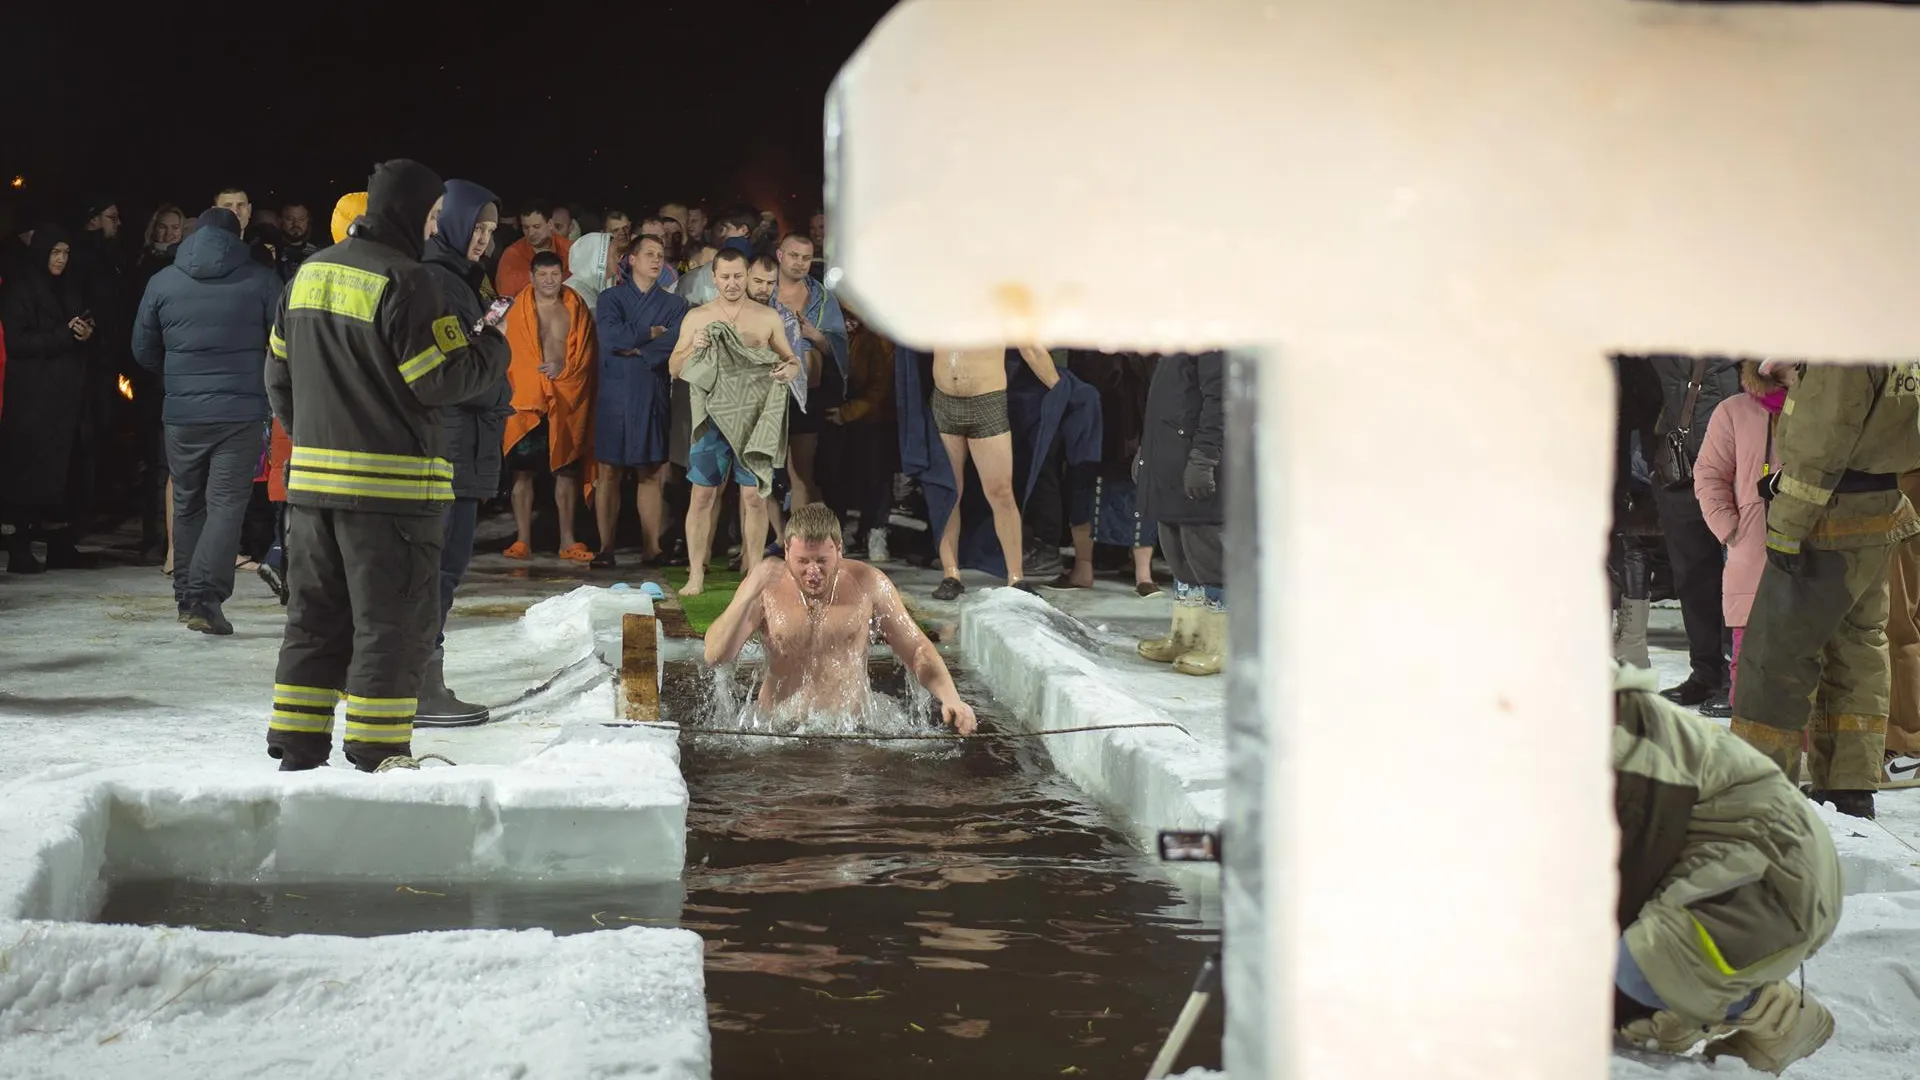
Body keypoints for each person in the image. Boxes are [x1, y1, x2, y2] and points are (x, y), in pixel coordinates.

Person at [263, 158, 510, 773]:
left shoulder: (308, 274)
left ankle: (297, 742)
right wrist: (495, 346)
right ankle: (377, 749)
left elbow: (276, 376)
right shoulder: (409, 281)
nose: (433, 230)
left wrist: (316, 440)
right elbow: (439, 379)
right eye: (430, 216)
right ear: (407, 212)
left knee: (314, 619)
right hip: (391, 500)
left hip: (312, 494)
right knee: (389, 623)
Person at [1612, 662, 1840, 1074]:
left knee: (1635, 972)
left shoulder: (1619, 739)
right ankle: (1677, 1005)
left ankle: (1777, 1013)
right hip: (1721, 878)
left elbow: (1626, 879)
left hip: (1775, 882)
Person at [1731, 360, 1920, 819]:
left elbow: (1821, 440)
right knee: (1857, 647)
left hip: (1826, 519)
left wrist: (1786, 525)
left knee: (1774, 658)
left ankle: (1760, 788)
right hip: (1879, 511)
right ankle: (1851, 784)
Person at [132, 206, 279, 634]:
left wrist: (179, 378)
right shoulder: (262, 281)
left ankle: (185, 598)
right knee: (226, 505)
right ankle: (205, 597)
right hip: (241, 414)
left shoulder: (162, 281)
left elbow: (143, 349)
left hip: (182, 414)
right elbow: (282, 343)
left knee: (188, 502)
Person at [703, 503, 977, 732]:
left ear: (839, 548)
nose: (813, 571)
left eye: (821, 561)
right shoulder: (766, 588)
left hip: (849, 729)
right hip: (776, 729)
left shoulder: (869, 583)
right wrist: (746, 594)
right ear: (786, 551)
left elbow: (917, 649)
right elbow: (715, 655)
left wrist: (950, 697)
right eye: (802, 561)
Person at [418, 179, 511, 727]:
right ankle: (420, 689)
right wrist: (501, 386)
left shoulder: (463, 280)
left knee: (444, 572)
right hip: (448, 448)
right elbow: (459, 374)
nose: (484, 239)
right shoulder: (439, 282)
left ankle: (422, 682)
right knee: (436, 572)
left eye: (492, 230)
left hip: (467, 447)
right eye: (478, 227)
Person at [668, 248, 802, 595]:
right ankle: (696, 573)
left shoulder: (766, 316)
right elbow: (674, 367)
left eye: (738, 276)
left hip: (754, 418)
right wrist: (693, 348)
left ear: (747, 276)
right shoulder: (698, 317)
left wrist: (789, 369)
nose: (731, 283)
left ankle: (754, 574)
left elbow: (791, 360)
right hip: (712, 418)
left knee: (754, 497)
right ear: (713, 277)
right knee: (702, 496)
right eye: (725, 276)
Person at [1632, 355, 1745, 714]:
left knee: (1736, 581)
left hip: (1733, 472)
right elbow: (1641, 399)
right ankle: (1706, 673)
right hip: (1677, 471)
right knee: (1693, 579)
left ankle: (1734, 680)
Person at [1691, 360, 1789, 706]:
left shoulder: (1825, 408)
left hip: (1816, 555)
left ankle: (1805, 757)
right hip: (1752, 552)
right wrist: (1730, 528)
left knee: (1807, 672)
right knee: (1749, 667)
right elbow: (1708, 473)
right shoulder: (1733, 410)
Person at [927, 345, 1059, 599]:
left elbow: (1031, 348)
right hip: (944, 402)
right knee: (948, 493)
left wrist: (1061, 390)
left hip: (987, 401)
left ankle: (1016, 577)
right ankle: (950, 573)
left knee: (1000, 492)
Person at [0, 226, 92, 574]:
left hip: (65, 401)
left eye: (66, 252)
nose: (60, 259)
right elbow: (17, 341)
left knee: (63, 473)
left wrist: (86, 331)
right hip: (30, 399)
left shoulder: (68, 287)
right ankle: (18, 549)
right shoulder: (19, 290)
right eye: (55, 252)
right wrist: (64, 336)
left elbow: (81, 316)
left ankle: (60, 545)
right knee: (25, 474)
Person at [593, 233, 688, 569]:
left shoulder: (675, 305)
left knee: (650, 471)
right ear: (631, 259)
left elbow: (675, 343)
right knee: (608, 471)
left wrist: (638, 348)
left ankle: (652, 548)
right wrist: (649, 334)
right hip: (614, 394)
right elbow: (611, 337)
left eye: (660, 254)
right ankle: (606, 547)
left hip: (651, 390)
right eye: (648, 253)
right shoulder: (610, 298)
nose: (655, 259)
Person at [502, 250, 597, 561]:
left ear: (563, 275)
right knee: (523, 473)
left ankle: (568, 540)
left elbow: (586, 353)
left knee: (566, 471)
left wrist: (564, 370)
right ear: (531, 277)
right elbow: (497, 345)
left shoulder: (575, 306)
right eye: (542, 275)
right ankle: (522, 540)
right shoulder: (513, 307)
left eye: (554, 274)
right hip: (527, 401)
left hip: (567, 397)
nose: (548, 281)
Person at [1136, 352, 1226, 676]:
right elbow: (1166, 399)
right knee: (1176, 550)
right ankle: (1185, 634)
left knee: (1205, 552)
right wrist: (1147, 454)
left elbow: (1220, 397)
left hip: (1197, 458)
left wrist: (1205, 457)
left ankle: (1218, 643)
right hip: (1170, 458)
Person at [772, 232, 847, 511]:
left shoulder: (822, 298)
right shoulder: (762, 291)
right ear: (780, 255)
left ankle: (798, 541)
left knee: (803, 472)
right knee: (760, 472)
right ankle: (775, 538)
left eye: (806, 258)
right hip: (768, 394)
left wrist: (815, 336)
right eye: (794, 255)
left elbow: (839, 350)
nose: (800, 263)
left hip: (809, 397)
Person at [818, 301, 896, 558]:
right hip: (830, 418)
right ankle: (839, 532)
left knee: (876, 477)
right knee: (833, 477)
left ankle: (876, 531)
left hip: (870, 418)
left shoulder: (875, 335)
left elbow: (880, 384)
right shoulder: (824, 326)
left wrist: (849, 412)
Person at [494, 201, 572, 299]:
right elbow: (505, 297)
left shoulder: (570, 249)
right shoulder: (512, 255)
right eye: (526, 227)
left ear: (550, 224)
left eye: (536, 227)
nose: (531, 233)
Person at [277, 202, 320, 281]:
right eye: (289, 219)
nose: (296, 224)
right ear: (280, 221)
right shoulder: (272, 252)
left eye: (301, 219)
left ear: (308, 221)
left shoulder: (317, 254)